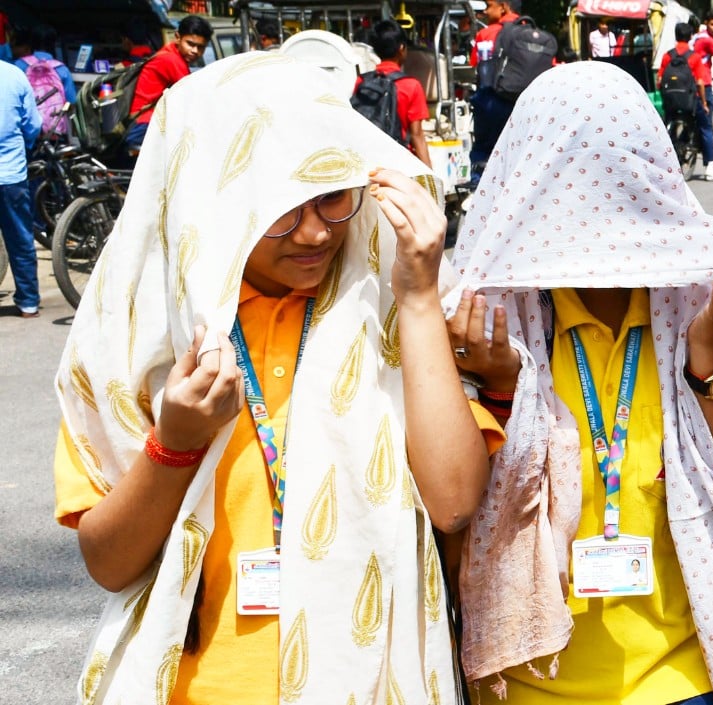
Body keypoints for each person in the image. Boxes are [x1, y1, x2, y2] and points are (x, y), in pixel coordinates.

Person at [52, 54, 504, 703]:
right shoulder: (140, 344)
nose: (316, 231)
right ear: (215, 198)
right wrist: (174, 445)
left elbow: (456, 499)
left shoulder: (389, 306)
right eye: (281, 209)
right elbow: (109, 562)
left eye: (332, 196)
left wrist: (420, 298)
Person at [448, 61, 713, 705]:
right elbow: (455, 510)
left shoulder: (701, 303)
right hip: (529, 681)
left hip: (685, 676)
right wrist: (499, 390)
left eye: (615, 176)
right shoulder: (488, 321)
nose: (593, 205)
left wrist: (709, 360)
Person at [124, 14, 212, 156]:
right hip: (145, 125)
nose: (195, 51)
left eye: (200, 47)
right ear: (177, 37)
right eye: (190, 44)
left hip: (147, 123)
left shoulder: (170, 54)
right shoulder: (171, 60)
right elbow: (193, 98)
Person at [660, 22, 713, 181]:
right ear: (690, 36)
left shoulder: (667, 55)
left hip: (671, 99)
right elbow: (699, 83)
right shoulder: (694, 57)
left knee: (669, 127)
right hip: (691, 100)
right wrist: (704, 103)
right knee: (706, 127)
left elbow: (660, 79)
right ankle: (710, 165)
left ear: (676, 36)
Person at [0, 60, 41, 318]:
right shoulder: (14, 75)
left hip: (11, 172)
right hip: (10, 173)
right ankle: (28, 303)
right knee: (20, 240)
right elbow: (33, 125)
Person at [361, 20, 432, 168]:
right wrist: (429, 176)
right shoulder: (411, 85)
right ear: (401, 48)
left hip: (369, 164)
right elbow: (417, 135)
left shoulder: (361, 81)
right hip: (401, 165)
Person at [468, 0, 520, 179]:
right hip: (525, 105)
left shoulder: (487, 33)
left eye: (489, 6)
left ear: (504, 7)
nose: (486, 11)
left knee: (483, 152)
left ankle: (478, 190)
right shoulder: (533, 33)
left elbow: (475, 65)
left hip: (492, 102)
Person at [13, 25, 77, 105]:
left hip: (27, 116)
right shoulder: (61, 69)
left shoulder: (19, 65)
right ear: (53, 44)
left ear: (31, 42)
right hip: (54, 116)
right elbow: (71, 100)